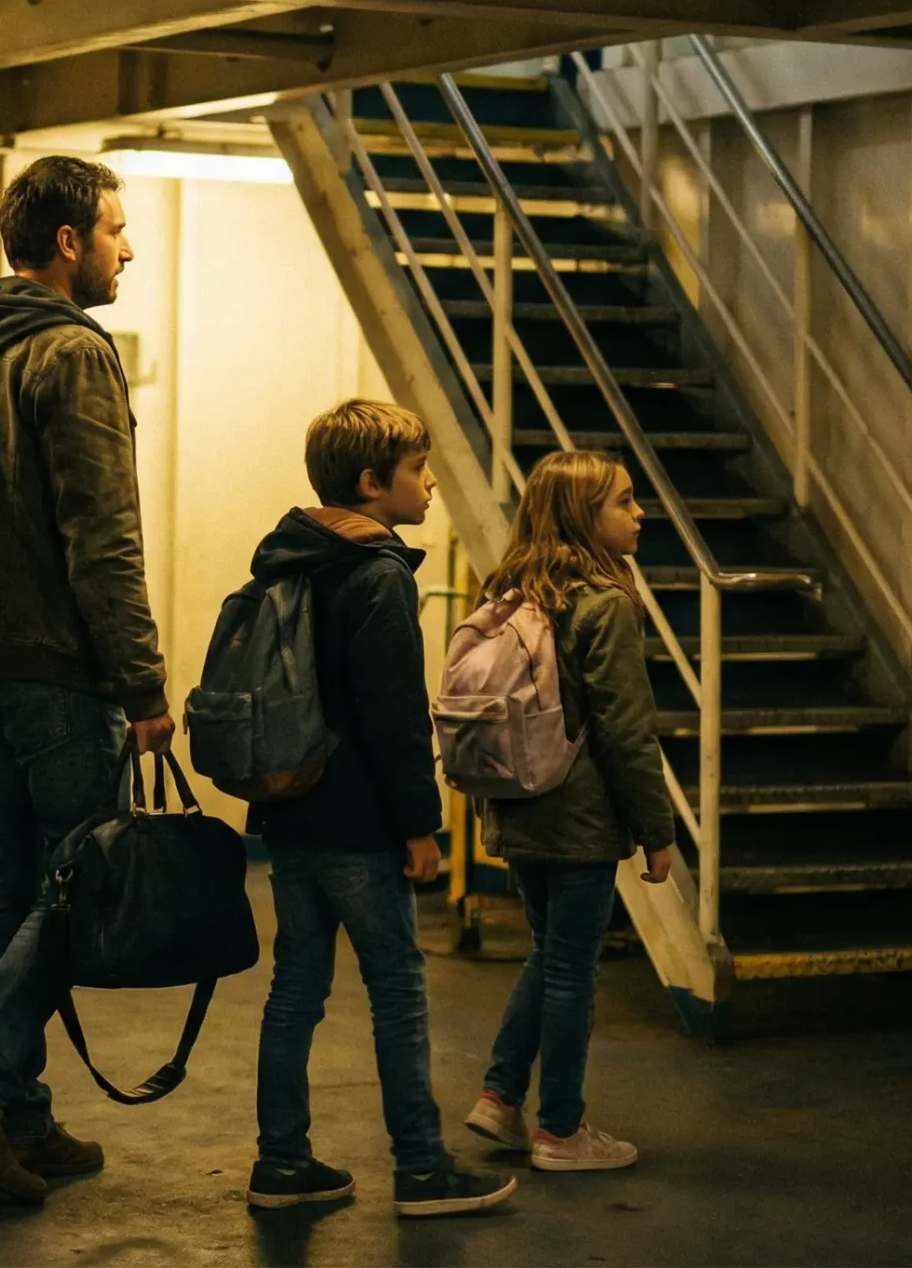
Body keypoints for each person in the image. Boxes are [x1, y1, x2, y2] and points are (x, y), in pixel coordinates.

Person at [0, 156, 170, 1204]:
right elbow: (101, 537)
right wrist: (141, 684)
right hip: (56, 675)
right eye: (115, 229)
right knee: (73, 889)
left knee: (6, 892)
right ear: (67, 242)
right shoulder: (69, 356)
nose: (125, 248)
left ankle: (19, 1114)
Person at [242, 399, 518, 1218]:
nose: (431, 482)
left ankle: (282, 1162)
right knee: (397, 987)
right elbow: (397, 718)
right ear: (372, 481)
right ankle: (423, 1168)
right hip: (361, 824)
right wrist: (419, 828)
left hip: (289, 811)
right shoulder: (379, 573)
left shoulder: (288, 559)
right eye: (417, 470)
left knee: (295, 990)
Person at [460, 448, 679, 1173]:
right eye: (623, 500)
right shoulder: (604, 604)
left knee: (549, 954)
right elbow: (626, 729)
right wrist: (657, 831)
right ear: (585, 517)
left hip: (518, 807)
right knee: (571, 971)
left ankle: (499, 1096)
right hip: (579, 819)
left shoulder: (512, 595)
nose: (639, 511)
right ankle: (560, 1129)